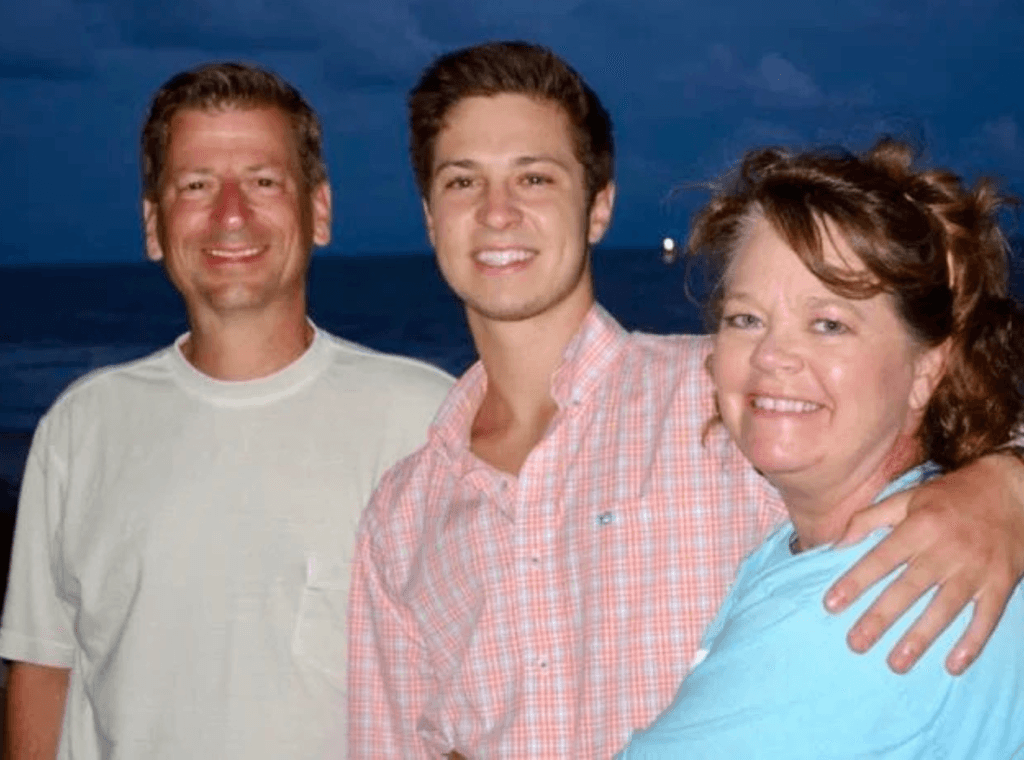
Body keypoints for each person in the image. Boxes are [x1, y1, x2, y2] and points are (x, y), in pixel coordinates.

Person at [346, 41, 1024, 757]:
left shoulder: (736, 399)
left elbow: (930, 399)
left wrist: (1004, 483)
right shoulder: (402, 515)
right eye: (462, 182)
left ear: (599, 205)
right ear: (427, 214)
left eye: (535, 177)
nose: (497, 213)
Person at [0, 63, 452, 759]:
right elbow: (42, 670)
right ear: (154, 225)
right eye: (196, 185)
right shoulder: (80, 428)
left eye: (264, 181)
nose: (231, 212)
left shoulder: (424, 420)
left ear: (319, 212)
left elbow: (475, 690)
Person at [617, 139, 1024, 757]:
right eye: (745, 318)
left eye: (828, 323)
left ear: (925, 371)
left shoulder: (869, 598)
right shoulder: (801, 552)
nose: (771, 356)